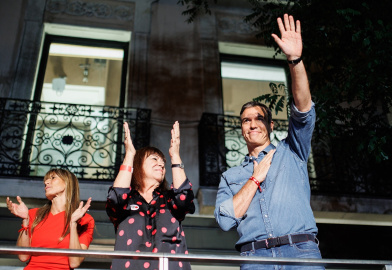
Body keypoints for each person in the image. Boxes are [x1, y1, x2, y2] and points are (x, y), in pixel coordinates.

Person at [215, 14, 324, 270]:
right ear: (241, 129)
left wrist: (295, 60)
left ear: (271, 125)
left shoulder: (292, 152)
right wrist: (254, 179)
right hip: (255, 259)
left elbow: (303, 110)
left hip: (301, 254)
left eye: (258, 118)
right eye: (245, 120)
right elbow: (225, 221)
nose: (252, 124)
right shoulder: (230, 176)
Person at [106, 121, 195, 270]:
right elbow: (115, 198)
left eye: (163, 162)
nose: (161, 164)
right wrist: (129, 156)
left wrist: (175, 157)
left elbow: (184, 199)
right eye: (154, 159)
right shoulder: (128, 200)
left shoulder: (168, 199)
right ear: (139, 165)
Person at [6, 168, 94, 270]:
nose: (46, 182)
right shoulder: (33, 214)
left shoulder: (85, 220)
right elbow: (23, 256)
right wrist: (25, 220)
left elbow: (74, 263)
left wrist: (73, 224)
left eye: (53, 178)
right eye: (46, 180)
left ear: (67, 183)